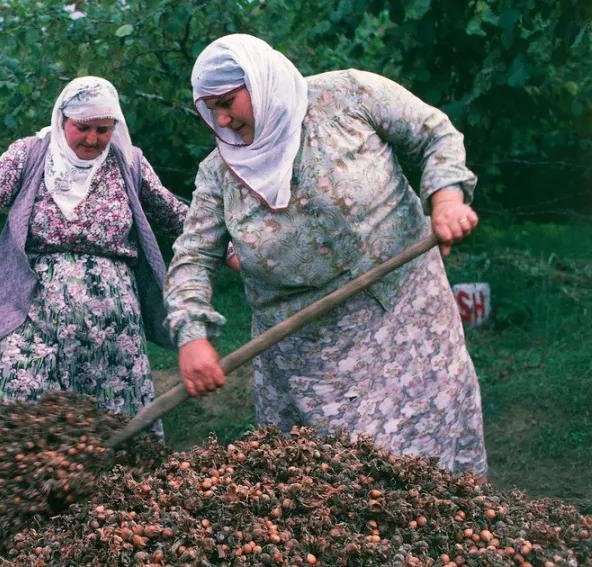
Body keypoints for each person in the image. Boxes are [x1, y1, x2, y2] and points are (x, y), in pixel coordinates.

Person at [165, 34, 488, 479]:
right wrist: (192, 335)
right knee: (327, 488)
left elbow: (435, 133)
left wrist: (447, 198)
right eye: (211, 109)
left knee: (422, 467)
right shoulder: (219, 172)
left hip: (403, 315)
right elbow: (193, 256)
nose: (222, 119)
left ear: (258, 82)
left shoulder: (348, 96)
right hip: (303, 354)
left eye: (228, 102)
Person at [0, 76, 188, 428]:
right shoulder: (31, 154)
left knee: (113, 422)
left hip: (112, 326)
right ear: (62, 119)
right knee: (15, 401)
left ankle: (112, 483)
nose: (92, 139)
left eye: (103, 130)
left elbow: (175, 214)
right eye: (82, 127)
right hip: (37, 309)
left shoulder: (129, 162)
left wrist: (228, 247)